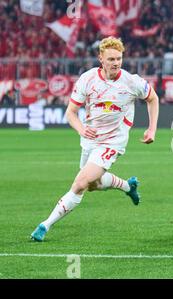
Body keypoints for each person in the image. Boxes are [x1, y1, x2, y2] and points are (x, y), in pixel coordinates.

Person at [30, 37, 159, 241]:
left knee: (80, 183)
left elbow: (153, 98)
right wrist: (82, 129)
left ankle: (45, 225)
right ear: (101, 58)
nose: (116, 63)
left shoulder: (131, 81)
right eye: (111, 59)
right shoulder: (87, 79)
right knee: (93, 184)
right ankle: (128, 186)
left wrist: (152, 129)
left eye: (119, 58)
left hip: (113, 141)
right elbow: (71, 113)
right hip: (90, 140)